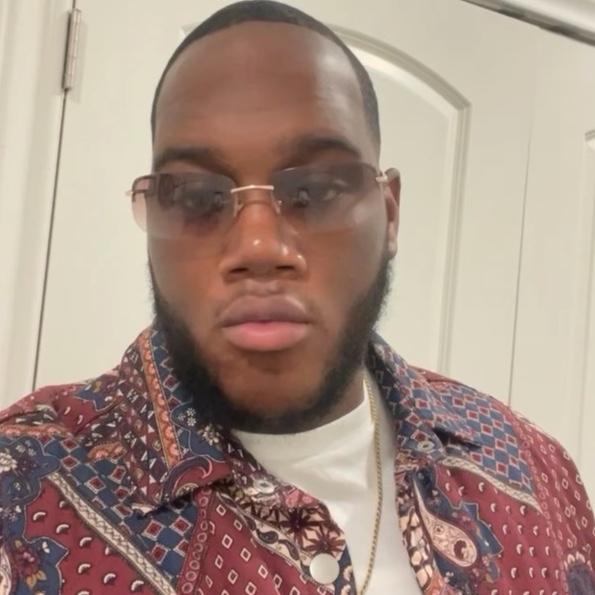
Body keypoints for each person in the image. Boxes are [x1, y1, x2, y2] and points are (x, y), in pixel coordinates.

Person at [1, 1, 594, 593]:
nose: (259, 247)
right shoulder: (18, 495)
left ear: (389, 215)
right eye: (195, 197)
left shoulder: (533, 470)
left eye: (315, 190)